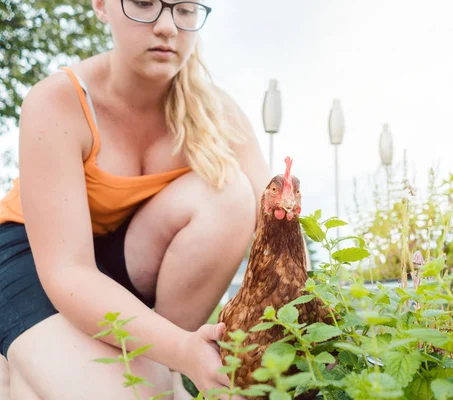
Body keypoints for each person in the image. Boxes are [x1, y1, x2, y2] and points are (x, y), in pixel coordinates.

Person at [0, 0, 270, 398]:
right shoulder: (56, 102)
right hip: (39, 263)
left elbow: (280, 222)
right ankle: (32, 365)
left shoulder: (217, 113)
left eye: (184, 10)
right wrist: (181, 348)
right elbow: (68, 271)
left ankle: (159, 370)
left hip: (131, 260)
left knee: (231, 194)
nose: (167, 27)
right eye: (144, 3)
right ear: (102, 6)